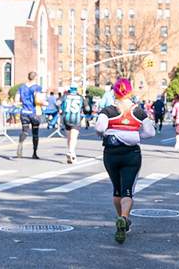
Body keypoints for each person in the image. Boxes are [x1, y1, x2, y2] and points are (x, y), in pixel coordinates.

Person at [96, 78, 156, 244]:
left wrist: (110, 131)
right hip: (132, 154)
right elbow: (150, 133)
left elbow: (100, 128)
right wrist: (136, 135)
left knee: (117, 189)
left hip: (111, 154)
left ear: (114, 92)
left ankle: (119, 218)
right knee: (127, 190)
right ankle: (124, 217)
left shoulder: (107, 110)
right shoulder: (139, 112)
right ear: (130, 92)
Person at [16, 71, 43, 159]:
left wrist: (22, 103)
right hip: (34, 113)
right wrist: (44, 103)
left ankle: (20, 143)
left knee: (25, 131)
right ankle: (34, 153)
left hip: (24, 112)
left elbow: (16, 100)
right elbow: (37, 99)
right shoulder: (37, 87)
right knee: (35, 134)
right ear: (35, 78)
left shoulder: (21, 87)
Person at [61, 86, 84, 163]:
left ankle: (71, 153)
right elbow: (87, 108)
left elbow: (58, 103)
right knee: (73, 137)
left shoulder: (65, 96)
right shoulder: (80, 97)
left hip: (66, 118)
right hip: (76, 119)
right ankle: (71, 152)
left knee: (69, 137)